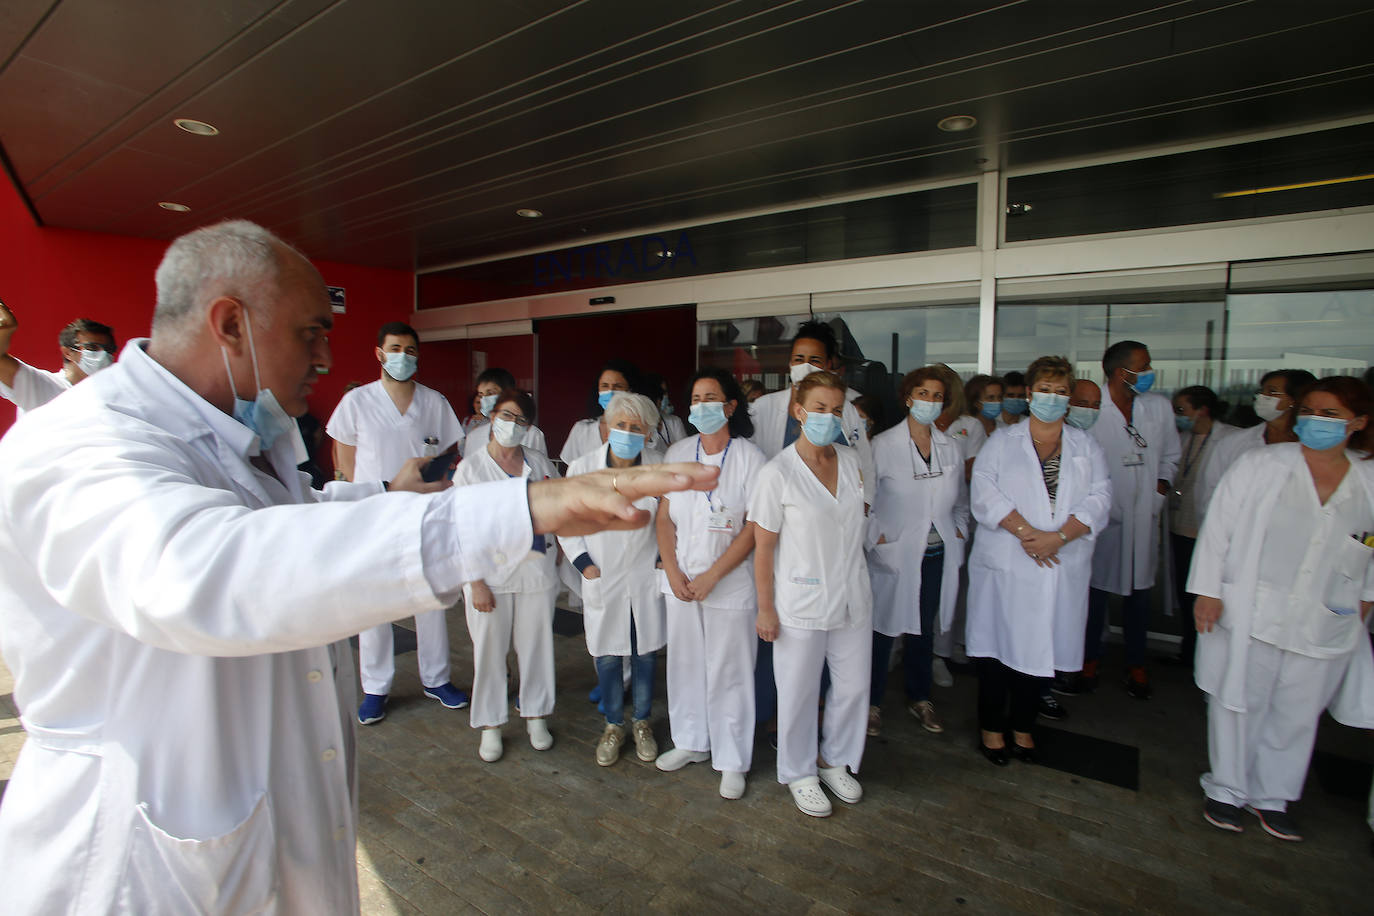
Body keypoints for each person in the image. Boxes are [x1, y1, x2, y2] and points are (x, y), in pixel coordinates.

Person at [0, 219, 720, 913]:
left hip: (266, 838)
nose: (322, 359)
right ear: (229, 323)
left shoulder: (241, 437)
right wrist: (523, 507)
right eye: (310, 332)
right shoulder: (84, 444)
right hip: (137, 868)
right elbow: (212, 568)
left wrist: (381, 491)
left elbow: (295, 513)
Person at [1189, 376, 1374, 841]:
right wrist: (1207, 590)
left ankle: (1273, 796)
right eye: (1309, 411)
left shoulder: (1369, 479)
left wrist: (1366, 602)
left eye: (1330, 414)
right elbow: (1218, 529)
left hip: (1327, 615)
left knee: (1297, 710)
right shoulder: (1262, 464)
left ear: (1358, 422)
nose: (1316, 421)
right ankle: (1227, 789)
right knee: (1238, 701)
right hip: (1253, 606)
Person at [966, 356, 1112, 764]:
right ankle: (992, 728)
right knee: (997, 649)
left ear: (1069, 398)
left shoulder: (1086, 445)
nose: (1052, 397)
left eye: (1061, 391)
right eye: (1044, 390)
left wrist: (1060, 537)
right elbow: (985, 491)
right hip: (1010, 561)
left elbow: (1100, 497)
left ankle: (1024, 726)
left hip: (1059, 561)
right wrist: (1029, 535)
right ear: (1029, 394)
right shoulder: (1002, 442)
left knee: (1039, 651)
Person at [327, 321, 469, 725]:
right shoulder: (357, 401)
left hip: (424, 513)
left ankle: (436, 678)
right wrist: (357, 503)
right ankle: (375, 687)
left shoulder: (434, 403)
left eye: (409, 350)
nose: (402, 357)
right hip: (374, 511)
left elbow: (447, 454)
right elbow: (345, 460)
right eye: (394, 348)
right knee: (374, 601)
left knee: (429, 594)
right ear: (378, 353)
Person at [749, 370, 872, 818]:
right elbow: (763, 549)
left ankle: (834, 759)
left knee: (854, 686)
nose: (828, 417)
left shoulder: (851, 460)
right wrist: (765, 608)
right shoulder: (776, 473)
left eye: (836, 410)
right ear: (798, 411)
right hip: (798, 602)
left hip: (851, 594)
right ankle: (799, 771)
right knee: (799, 691)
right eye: (819, 408)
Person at [655, 369, 765, 799]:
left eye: (711, 397)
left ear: (730, 406)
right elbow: (665, 516)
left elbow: (756, 526)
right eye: (696, 398)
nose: (701, 405)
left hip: (730, 583)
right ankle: (690, 742)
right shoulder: (679, 452)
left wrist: (713, 575)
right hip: (680, 580)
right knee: (684, 663)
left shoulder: (751, 458)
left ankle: (732, 758)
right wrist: (672, 568)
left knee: (730, 671)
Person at [452, 389, 561, 762]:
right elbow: (461, 529)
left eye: (520, 419)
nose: (511, 425)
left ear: (529, 426)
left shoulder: (540, 463)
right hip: (490, 577)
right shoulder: (471, 468)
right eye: (505, 416)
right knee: (490, 652)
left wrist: (562, 552)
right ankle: (491, 724)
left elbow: (557, 509)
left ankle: (535, 715)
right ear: (492, 417)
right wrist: (475, 581)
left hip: (535, 571)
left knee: (536, 647)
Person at [561, 392, 666, 767]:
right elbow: (567, 520)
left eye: (635, 428)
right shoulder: (582, 469)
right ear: (605, 427)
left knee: (645, 653)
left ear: (649, 433)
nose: (626, 432)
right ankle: (612, 725)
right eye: (620, 425)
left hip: (643, 575)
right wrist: (585, 564)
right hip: (602, 574)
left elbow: (670, 521)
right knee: (607, 655)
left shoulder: (658, 467)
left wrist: (661, 560)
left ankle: (641, 722)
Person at [866, 367, 969, 738]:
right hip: (893, 555)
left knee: (923, 629)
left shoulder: (950, 447)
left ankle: (919, 697)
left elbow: (960, 503)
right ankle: (872, 703)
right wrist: (878, 539)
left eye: (937, 396)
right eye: (922, 393)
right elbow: (867, 503)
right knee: (882, 631)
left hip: (936, 554)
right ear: (908, 397)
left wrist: (958, 530)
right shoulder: (882, 446)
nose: (929, 401)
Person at [1078, 340, 1180, 700]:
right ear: (1122, 372)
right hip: (1104, 521)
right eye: (1144, 366)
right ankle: (1089, 660)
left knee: (1139, 594)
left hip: (1144, 517)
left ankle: (1136, 663)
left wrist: (1159, 492)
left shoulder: (1158, 408)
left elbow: (1170, 457)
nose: (1150, 373)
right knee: (1095, 594)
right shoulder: (1092, 410)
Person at [748, 320, 875, 503]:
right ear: (790, 363)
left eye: (814, 360)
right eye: (799, 359)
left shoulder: (845, 410)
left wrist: (865, 503)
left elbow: (864, 463)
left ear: (828, 365)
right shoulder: (762, 408)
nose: (806, 366)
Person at [1168, 386, 1237, 669]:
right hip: (1180, 526)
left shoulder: (1230, 439)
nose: (1178, 416)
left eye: (1182, 410)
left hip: (1208, 531)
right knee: (1187, 594)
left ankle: (1207, 659)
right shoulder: (1182, 439)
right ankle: (1189, 651)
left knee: (1209, 595)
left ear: (1203, 410)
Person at [1198, 369, 1315, 524]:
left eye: (1272, 392)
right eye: (1261, 391)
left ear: (1294, 399)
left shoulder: (1314, 446)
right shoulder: (1233, 442)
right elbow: (1210, 492)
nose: (1261, 397)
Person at [0, 302, 117, 414]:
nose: (103, 355)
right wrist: (6, 330)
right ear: (67, 352)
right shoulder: (45, 386)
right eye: (92, 347)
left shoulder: (117, 400)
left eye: (108, 349)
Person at [559, 359, 641, 465]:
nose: (610, 391)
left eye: (617, 386)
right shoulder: (582, 429)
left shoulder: (641, 429)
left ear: (630, 391)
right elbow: (572, 472)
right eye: (605, 386)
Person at [463, 366, 549, 456]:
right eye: (481, 395)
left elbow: (540, 467)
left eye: (490, 393)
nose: (485, 399)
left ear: (508, 394)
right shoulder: (475, 435)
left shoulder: (532, 434)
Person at [643, 371, 688, 452]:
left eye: (665, 392)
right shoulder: (637, 423)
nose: (664, 397)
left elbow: (685, 451)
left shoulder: (674, 421)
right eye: (661, 393)